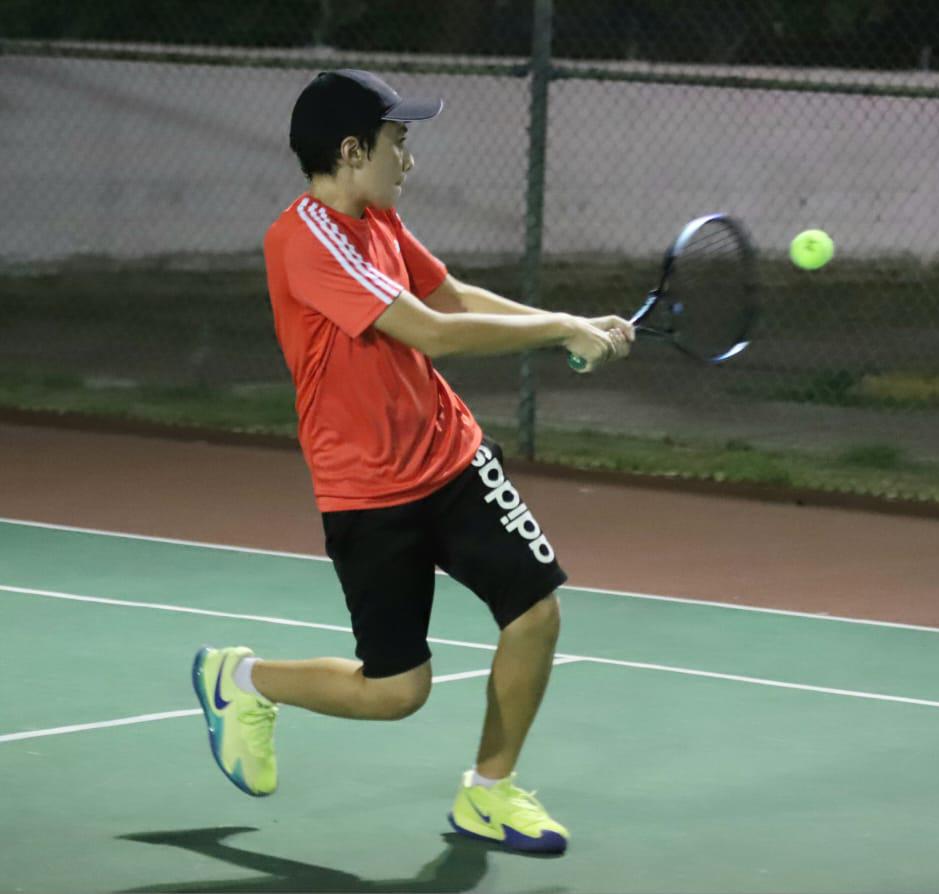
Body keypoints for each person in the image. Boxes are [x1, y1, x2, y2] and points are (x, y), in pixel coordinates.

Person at [191, 69, 633, 855]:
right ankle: (243, 681)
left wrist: (571, 321)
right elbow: (428, 331)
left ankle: (489, 795)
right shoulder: (303, 240)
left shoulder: (379, 221)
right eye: (400, 141)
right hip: (367, 491)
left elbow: (452, 296)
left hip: (452, 459)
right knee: (397, 692)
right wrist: (560, 329)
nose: (410, 159)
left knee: (535, 610)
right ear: (354, 150)